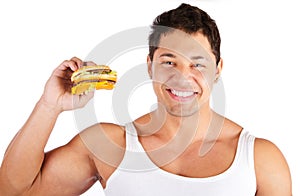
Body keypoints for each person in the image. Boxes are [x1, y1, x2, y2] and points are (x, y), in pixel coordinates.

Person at [0, 3, 292, 196]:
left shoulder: (259, 160)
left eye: (197, 64)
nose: (182, 77)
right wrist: (50, 105)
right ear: (149, 65)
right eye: (169, 62)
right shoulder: (109, 145)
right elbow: (15, 191)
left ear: (218, 70)